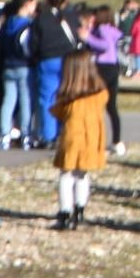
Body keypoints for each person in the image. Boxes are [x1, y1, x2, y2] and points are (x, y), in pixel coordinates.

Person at [46, 51, 108, 232]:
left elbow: (57, 113)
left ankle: (65, 213)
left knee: (66, 175)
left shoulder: (68, 99)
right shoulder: (100, 94)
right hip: (92, 139)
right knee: (82, 174)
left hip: (72, 139)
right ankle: (80, 211)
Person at [27, 0, 76, 149]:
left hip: (47, 60)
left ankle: (48, 136)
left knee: (47, 99)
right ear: (66, 0)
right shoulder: (71, 17)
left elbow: (33, 43)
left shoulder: (41, 18)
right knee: (68, 97)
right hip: (69, 61)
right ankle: (66, 132)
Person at [0, 0, 35, 148]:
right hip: (23, 66)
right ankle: (26, 133)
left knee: (8, 100)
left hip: (8, 66)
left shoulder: (8, 24)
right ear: (26, 4)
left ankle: (4, 132)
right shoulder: (27, 25)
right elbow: (27, 46)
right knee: (25, 100)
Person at [85, 3, 125, 153]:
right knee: (111, 106)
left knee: (95, 104)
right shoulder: (112, 29)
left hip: (102, 67)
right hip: (113, 67)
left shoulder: (102, 29)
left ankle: (95, 140)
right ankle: (117, 141)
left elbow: (104, 46)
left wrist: (88, 37)